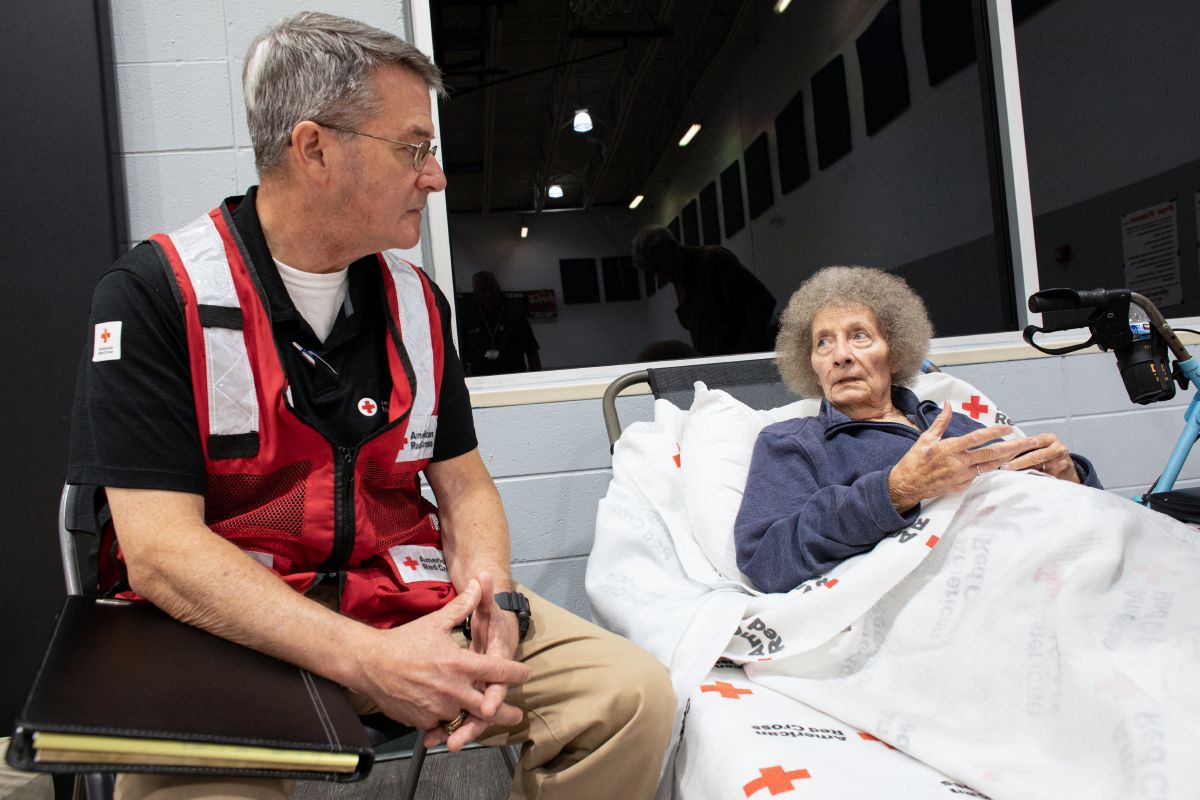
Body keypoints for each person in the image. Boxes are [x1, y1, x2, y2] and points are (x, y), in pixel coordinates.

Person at [68, 12, 672, 799]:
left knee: (631, 699)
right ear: (314, 148)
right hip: (224, 629)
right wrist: (368, 661)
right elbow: (159, 552)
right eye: (414, 148)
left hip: (394, 598)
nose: (437, 176)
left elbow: (464, 485)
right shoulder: (156, 295)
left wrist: (493, 595)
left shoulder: (418, 302)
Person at [734, 266, 1102, 593]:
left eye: (859, 336)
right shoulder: (795, 443)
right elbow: (766, 562)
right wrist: (896, 490)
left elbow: (1079, 515)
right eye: (823, 342)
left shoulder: (953, 421)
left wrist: (1071, 478)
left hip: (1037, 568)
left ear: (894, 355)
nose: (840, 354)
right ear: (811, 363)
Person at [631, 225, 777, 357]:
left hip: (741, 364)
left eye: (660, 266)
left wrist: (743, 355)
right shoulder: (680, 280)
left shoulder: (714, 260)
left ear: (670, 248)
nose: (661, 275)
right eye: (655, 271)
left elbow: (763, 302)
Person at [459, 270, 541, 376]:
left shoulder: (516, 318)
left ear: (498, 290)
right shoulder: (468, 321)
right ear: (475, 294)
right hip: (480, 383)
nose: (488, 293)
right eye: (483, 290)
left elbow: (533, 354)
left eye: (491, 288)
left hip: (514, 380)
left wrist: (534, 381)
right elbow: (461, 357)